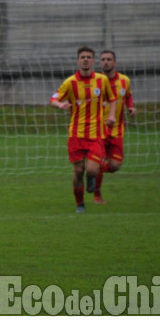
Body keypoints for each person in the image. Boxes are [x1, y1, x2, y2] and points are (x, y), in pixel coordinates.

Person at [50, 46, 116, 213]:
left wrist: (112, 116)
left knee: (92, 169)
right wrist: (60, 104)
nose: (85, 59)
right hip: (76, 133)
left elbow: (112, 99)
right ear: (78, 61)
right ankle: (80, 204)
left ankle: (91, 177)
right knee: (78, 170)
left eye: (88, 57)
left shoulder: (102, 80)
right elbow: (53, 98)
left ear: (93, 61)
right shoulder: (70, 82)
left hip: (96, 133)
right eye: (82, 57)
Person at [94, 50, 136, 204]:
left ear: (115, 63)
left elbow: (128, 95)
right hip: (99, 130)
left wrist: (131, 107)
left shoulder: (125, 80)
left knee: (115, 166)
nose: (105, 62)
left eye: (109, 59)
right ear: (100, 63)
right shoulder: (96, 81)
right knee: (99, 161)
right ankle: (97, 195)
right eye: (103, 59)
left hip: (118, 130)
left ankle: (93, 172)